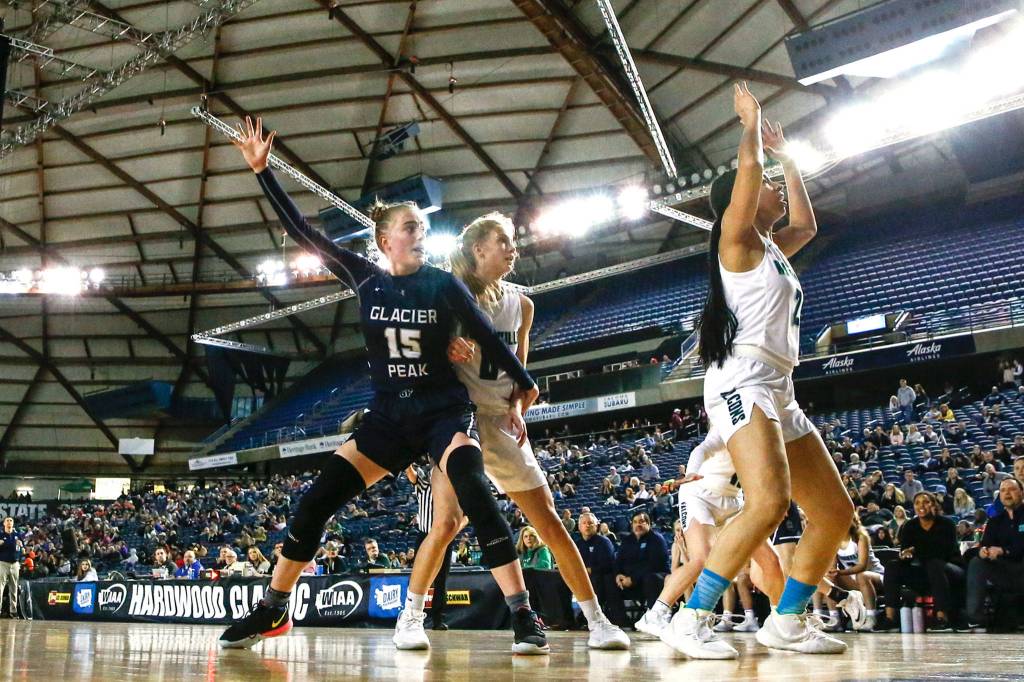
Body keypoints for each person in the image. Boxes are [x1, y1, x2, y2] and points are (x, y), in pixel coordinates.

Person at [221, 118, 546, 654]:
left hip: (443, 412)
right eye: (411, 227)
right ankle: (274, 610)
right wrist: (262, 172)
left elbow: (489, 335)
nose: (421, 234)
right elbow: (305, 234)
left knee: (473, 489)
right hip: (389, 417)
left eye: (424, 227)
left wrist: (525, 385)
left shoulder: (441, 283)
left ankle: (522, 614)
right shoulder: (364, 277)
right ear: (384, 239)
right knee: (315, 502)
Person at [671, 83, 852, 660]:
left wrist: (788, 161)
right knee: (769, 501)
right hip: (739, 381)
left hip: (779, 384)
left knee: (833, 513)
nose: (771, 189)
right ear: (740, 204)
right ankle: (690, 619)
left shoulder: (773, 248)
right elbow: (747, 177)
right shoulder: (737, 241)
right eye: (764, 188)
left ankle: (787, 621)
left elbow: (808, 224)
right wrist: (748, 130)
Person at [404, 213, 628, 651]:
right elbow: (419, 365)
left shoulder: (522, 305)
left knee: (549, 523)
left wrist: (519, 409)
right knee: (446, 524)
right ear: (478, 250)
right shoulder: (446, 298)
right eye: (503, 241)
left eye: (512, 242)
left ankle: (597, 621)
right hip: (459, 423)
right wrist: (443, 349)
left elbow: (523, 380)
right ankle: (410, 618)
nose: (513, 249)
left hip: (501, 424)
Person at [634, 430, 786, 643]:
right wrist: (691, 472)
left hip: (735, 504)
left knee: (771, 561)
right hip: (699, 494)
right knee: (701, 559)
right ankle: (655, 615)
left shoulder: (773, 436)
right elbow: (702, 448)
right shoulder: (736, 422)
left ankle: (783, 623)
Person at [880, 492, 963, 631]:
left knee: (934, 564)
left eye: (926, 502)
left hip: (950, 570)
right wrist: (906, 555)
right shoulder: (910, 526)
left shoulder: (947, 524)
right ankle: (890, 618)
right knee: (893, 566)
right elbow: (905, 550)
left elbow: (944, 552)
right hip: (924, 571)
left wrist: (916, 551)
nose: (921, 506)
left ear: (934, 505)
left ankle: (942, 617)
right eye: (917, 503)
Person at [966, 478, 1024, 629]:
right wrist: (983, 552)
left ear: (1022, 492)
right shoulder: (995, 521)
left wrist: (1003, 550)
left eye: (1012, 489)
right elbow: (985, 544)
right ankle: (975, 615)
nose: (1007, 494)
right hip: (1005, 570)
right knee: (976, 562)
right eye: (1003, 491)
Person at [404, 463, 455, 632]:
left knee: (441, 580)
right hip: (424, 536)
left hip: (444, 538)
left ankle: (438, 619)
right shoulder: (423, 485)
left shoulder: (450, 489)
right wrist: (406, 460)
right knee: (420, 578)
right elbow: (411, 474)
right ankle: (413, 615)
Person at [825, 517, 884, 631]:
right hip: (855, 580)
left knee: (862, 575)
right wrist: (831, 572)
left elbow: (863, 566)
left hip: (876, 576)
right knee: (828, 578)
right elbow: (833, 567)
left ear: (853, 521)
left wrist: (841, 572)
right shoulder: (834, 540)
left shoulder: (860, 537)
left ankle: (871, 617)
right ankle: (835, 619)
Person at [613, 512, 670, 614]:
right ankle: (619, 620)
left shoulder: (657, 539)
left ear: (649, 524)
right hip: (630, 580)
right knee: (609, 579)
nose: (638, 525)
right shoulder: (627, 540)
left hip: (656, 578)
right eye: (635, 522)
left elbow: (654, 565)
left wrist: (633, 579)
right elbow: (618, 561)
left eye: (641, 522)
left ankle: (655, 616)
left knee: (651, 578)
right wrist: (618, 575)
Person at [574, 512, 624, 626]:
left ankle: (587, 616)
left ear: (596, 526)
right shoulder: (577, 544)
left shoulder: (604, 542)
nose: (587, 525)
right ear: (579, 526)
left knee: (599, 579)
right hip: (581, 578)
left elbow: (608, 565)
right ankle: (564, 619)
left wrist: (590, 570)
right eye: (584, 523)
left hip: (600, 577)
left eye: (590, 523)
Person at [0, 517, 20, 618]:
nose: (9, 522)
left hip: (15, 564)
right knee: (0, 587)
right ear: (4, 523)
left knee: (14, 588)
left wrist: (23, 548)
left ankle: (13, 610)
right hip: (3, 563)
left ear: (13, 523)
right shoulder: (1, 534)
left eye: (11, 520)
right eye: (7, 520)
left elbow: (21, 547)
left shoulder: (17, 535)